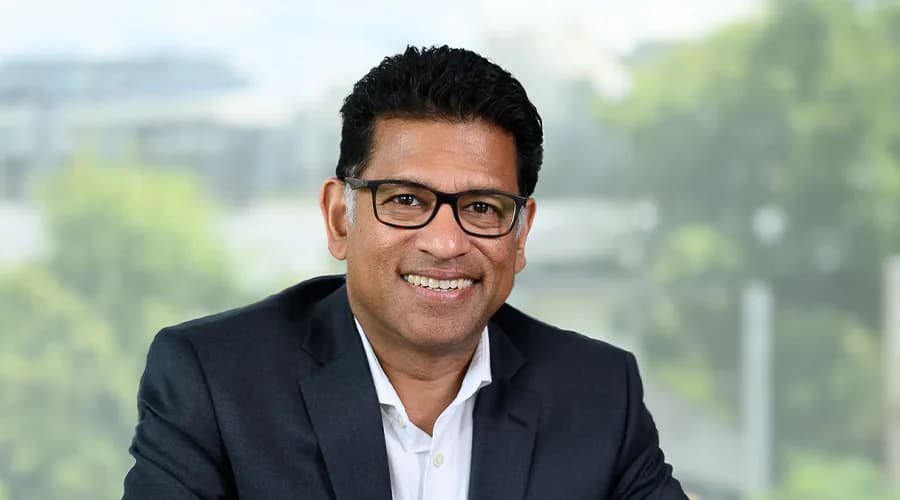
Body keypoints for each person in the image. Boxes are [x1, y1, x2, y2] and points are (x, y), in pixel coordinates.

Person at [123, 45, 687, 500]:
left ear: (520, 235)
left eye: (482, 208)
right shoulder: (215, 382)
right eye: (406, 200)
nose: (446, 244)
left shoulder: (597, 392)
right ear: (339, 218)